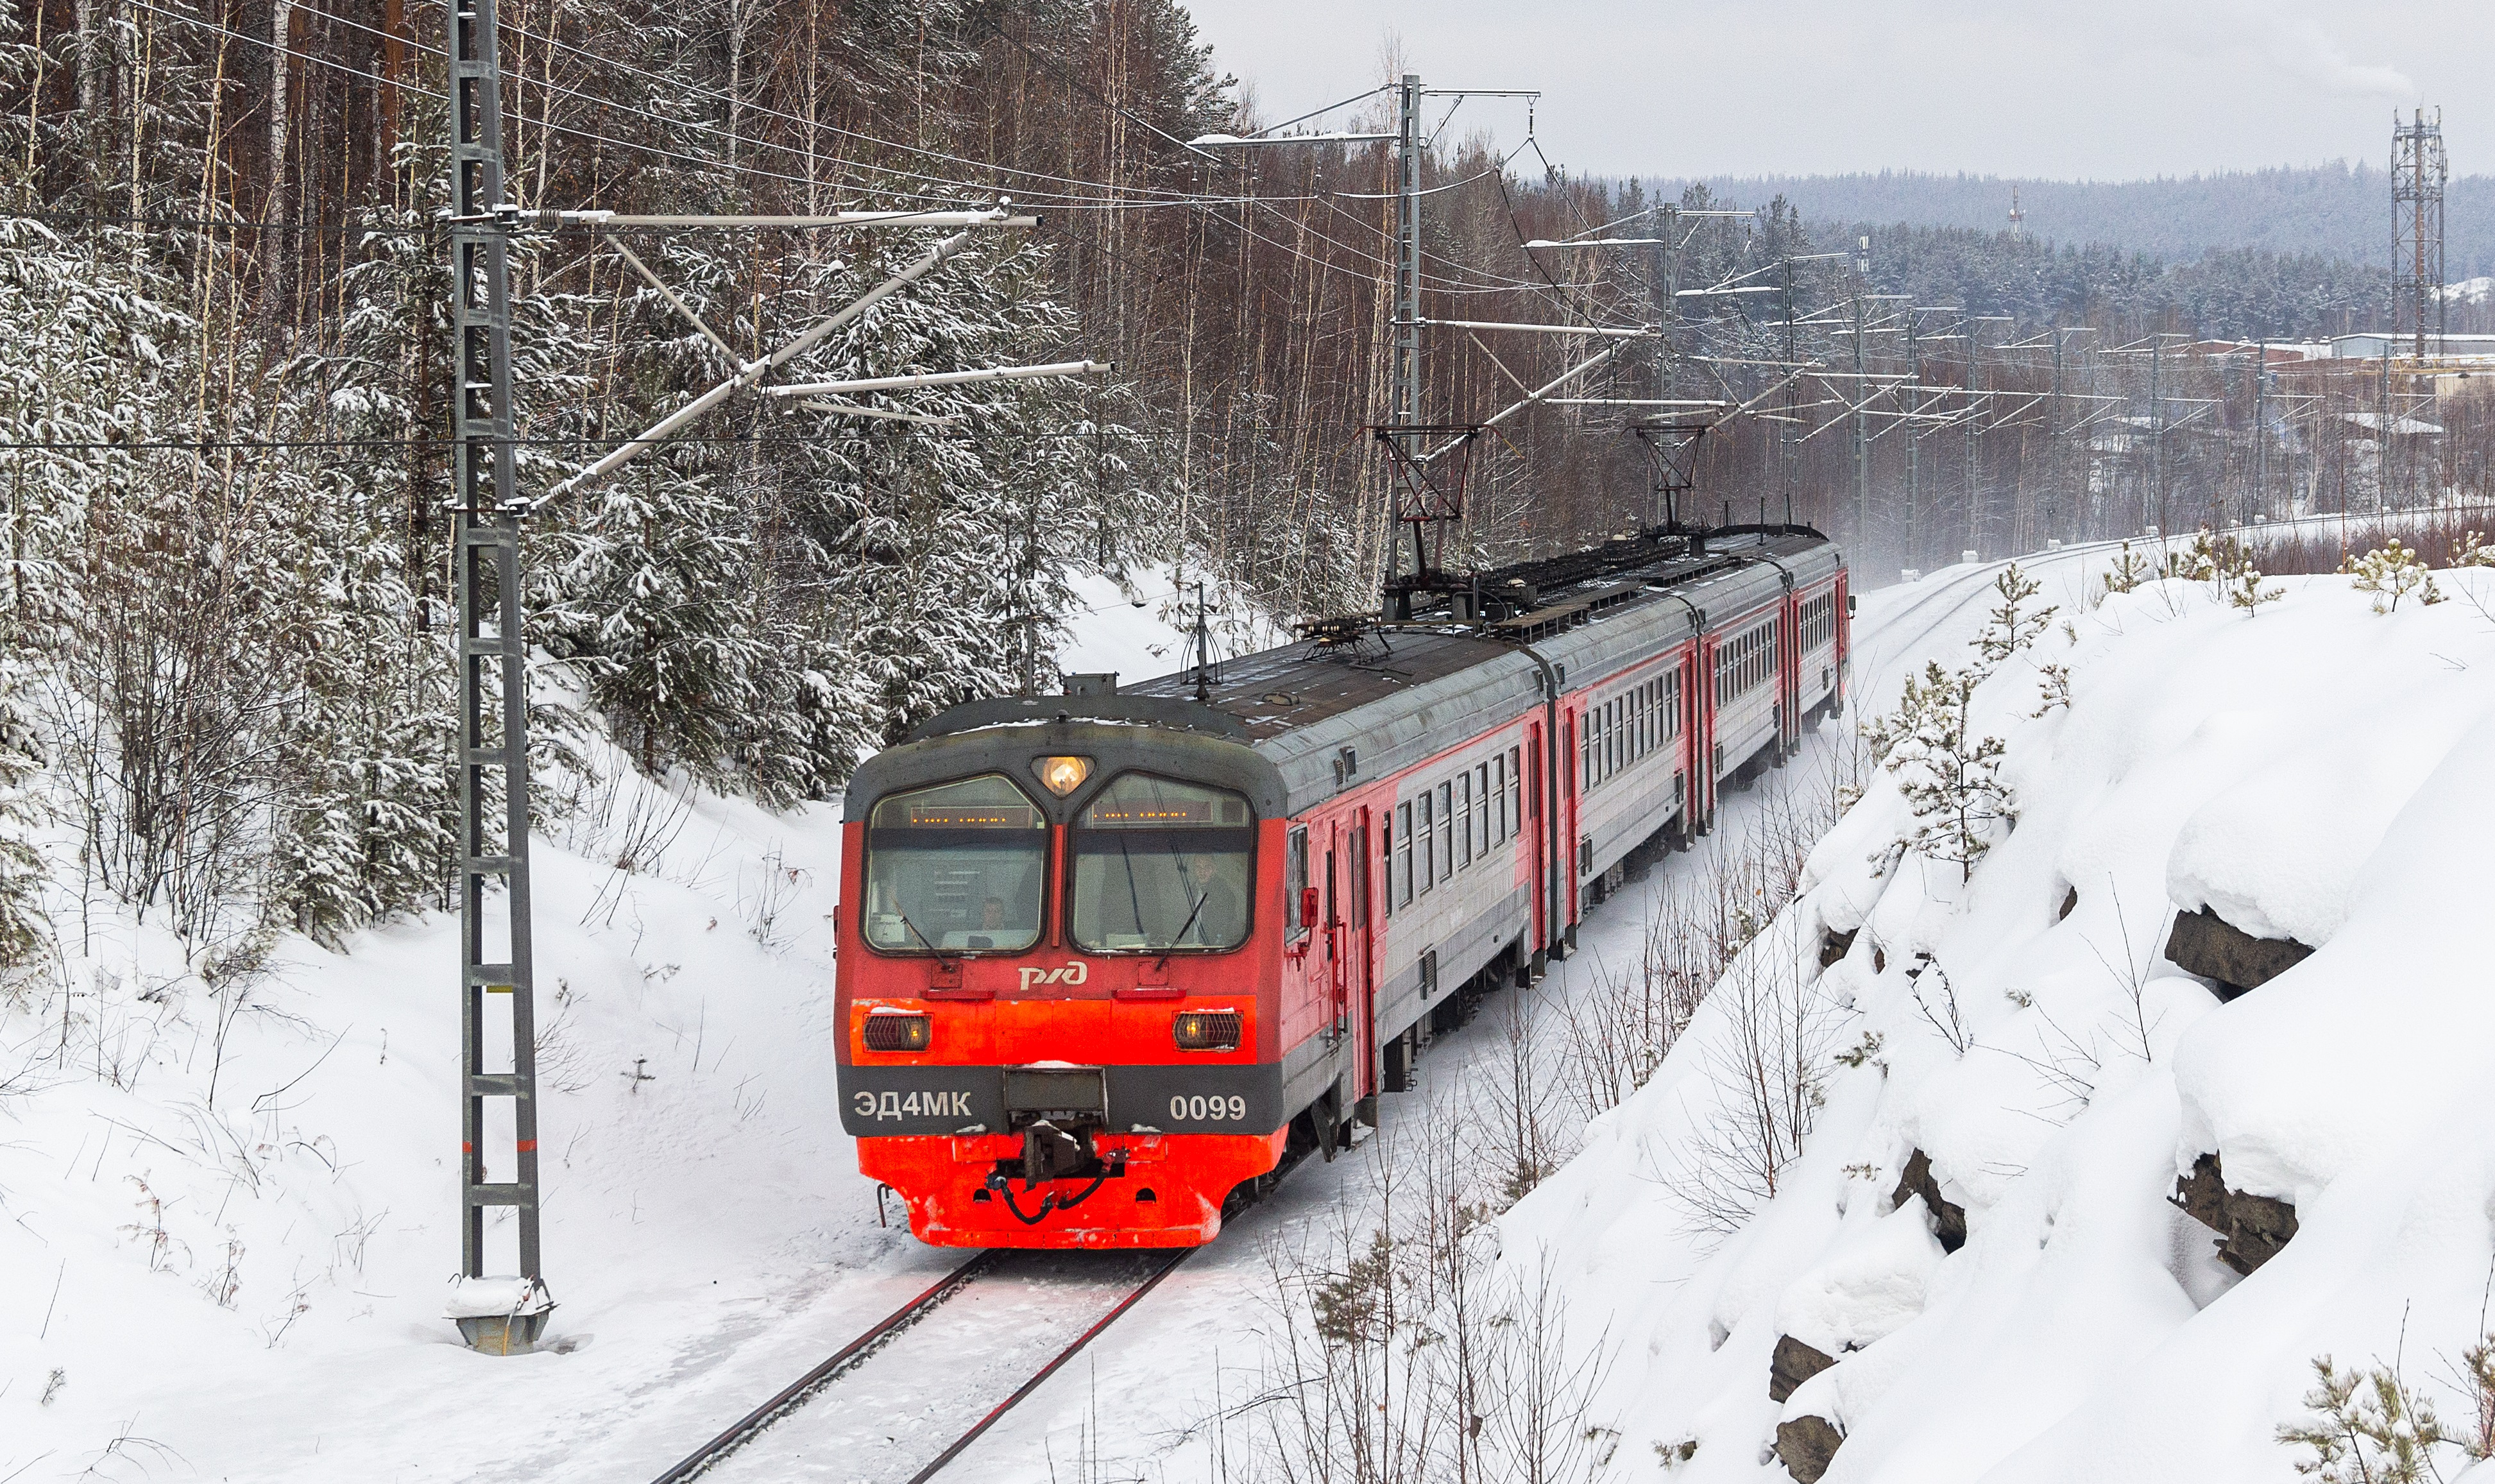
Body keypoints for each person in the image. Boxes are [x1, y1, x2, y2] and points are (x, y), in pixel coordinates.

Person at [1182, 854, 1243, 947]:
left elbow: (1226, 923)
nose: (1202, 872)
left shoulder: (1223, 893)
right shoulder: (1191, 891)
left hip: (1213, 949)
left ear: (1214, 869)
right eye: (1198, 867)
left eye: (1207, 867)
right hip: (1192, 947)